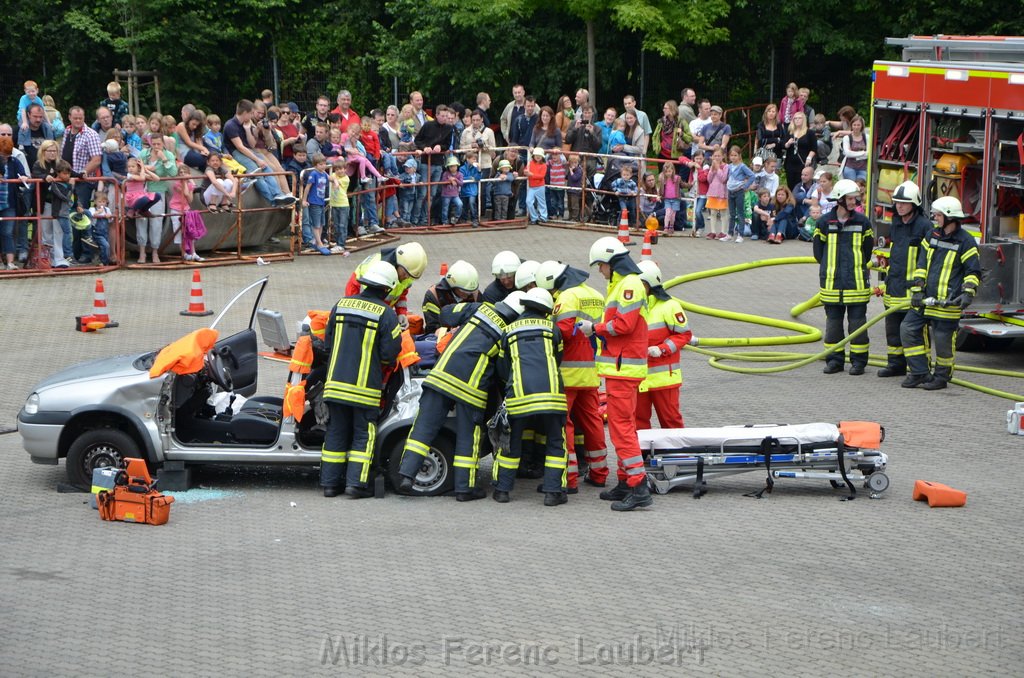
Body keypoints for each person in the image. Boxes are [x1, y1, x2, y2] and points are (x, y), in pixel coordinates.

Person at [396, 293, 525, 500]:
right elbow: (502, 370)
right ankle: (464, 489)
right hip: (470, 388)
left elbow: (446, 314)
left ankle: (406, 475)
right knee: (468, 436)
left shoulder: (480, 309)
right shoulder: (508, 332)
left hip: (440, 376)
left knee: (423, 428)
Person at [319, 260, 403, 498]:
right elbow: (390, 354)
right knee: (363, 435)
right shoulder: (386, 314)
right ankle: (355, 486)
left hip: (334, 385)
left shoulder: (340, 305)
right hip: (364, 389)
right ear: (387, 289)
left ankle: (330, 485)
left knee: (335, 432)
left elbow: (328, 342)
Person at [580, 237, 652, 511]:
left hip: (624, 368)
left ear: (612, 262)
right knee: (626, 427)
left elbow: (622, 325)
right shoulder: (624, 284)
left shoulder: (629, 285)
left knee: (621, 429)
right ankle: (625, 481)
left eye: (601, 265)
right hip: (622, 367)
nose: (600, 271)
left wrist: (594, 329)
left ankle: (638, 485)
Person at [535, 259, 608, 490]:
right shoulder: (595, 294)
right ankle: (599, 473)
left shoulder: (566, 297)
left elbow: (563, 332)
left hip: (567, 374)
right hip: (591, 372)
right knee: (593, 423)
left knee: (563, 425)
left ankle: (569, 478)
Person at [493, 288, 568, 506]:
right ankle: (553, 493)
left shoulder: (507, 331)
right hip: (552, 396)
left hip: (519, 396)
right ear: (545, 310)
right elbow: (558, 357)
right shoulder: (553, 329)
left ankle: (502, 491)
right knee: (555, 442)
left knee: (510, 443)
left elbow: (502, 367)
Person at [900, 197, 980, 390]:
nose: (935, 217)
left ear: (949, 216)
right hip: (926, 298)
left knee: (943, 341)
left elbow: (973, 271)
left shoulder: (966, 241)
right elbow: (922, 264)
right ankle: (919, 372)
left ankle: (941, 378)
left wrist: (967, 293)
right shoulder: (932, 235)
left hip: (948, 301)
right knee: (908, 328)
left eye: (938, 214)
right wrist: (918, 289)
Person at [813, 179, 874, 375]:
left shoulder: (863, 222)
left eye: (855, 198)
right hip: (831, 283)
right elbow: (818, 253)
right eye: (850, 198)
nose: (854, 201)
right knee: (833, 324)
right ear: (839, 199)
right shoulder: (823, 222)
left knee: (857, 324)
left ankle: (858, 362)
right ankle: (834, 360)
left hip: (856, 283)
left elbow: (867, 250)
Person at [876, 182, 932, 378]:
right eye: (897, 203)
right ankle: (896, 365)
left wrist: (922, 287)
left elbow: (928, 259)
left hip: (913, 290)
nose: (899, 206)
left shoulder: (925, 226)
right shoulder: (896, 222)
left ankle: (921, 369)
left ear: (914, 204)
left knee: (915, 331)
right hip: (895, 287)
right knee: (893, 330)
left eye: (904, 203)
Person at [635, 260, 692, 430]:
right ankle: (642, 456)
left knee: (671, 422)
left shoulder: (669, 306)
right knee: (638, 423)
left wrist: (662, 349)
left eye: (640, 285)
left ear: (649, 284)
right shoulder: (635, 306)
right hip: (640, 378)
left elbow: (684, 334)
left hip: (664, 379)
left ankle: (677, 456)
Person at [225, 100, 296, 207]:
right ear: (245, 113)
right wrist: (257, 160)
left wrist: (248, 130)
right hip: (237, 152)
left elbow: (252, 144)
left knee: (267, 168)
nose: (252, 116)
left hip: (249, 150)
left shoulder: (246, 124)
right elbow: (240, 147)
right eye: (250, 113)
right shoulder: (231, 125)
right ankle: (272, 201)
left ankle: (279, 194)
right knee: (257, 172)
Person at [344, 242, 428, 327]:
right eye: (405, 273)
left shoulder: (407, 271)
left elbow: (401, 295)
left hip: (379, 310)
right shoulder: (377, 270)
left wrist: (401, 313)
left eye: (410, 276)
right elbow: (368, 301)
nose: (406, 277)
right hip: (359, 306)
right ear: (399, 263)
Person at [62, 106, 103, 263]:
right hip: (66, 181)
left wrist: (83, 172)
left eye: (81, 118)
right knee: (68, 216)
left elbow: (96, 159)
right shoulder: (66, 132)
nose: (78, 120)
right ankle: (73, 252)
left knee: (81, 215)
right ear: (70, 117)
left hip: (83, 183)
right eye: (75, 118)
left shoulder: (90, 134)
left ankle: (86, 253)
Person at [421, 259, 481, 334]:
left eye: (470, 292)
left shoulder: (474, 293)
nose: (468, 295)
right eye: (464, 291)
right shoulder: (433, 296)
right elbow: (432, 329)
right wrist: (449, 332)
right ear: (452, 285)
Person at [460, 111, 495, 214]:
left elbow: (493, 150)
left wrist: (483, 146)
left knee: (482, 189)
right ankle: (470, 212)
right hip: (470, 165)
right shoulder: (466, 131)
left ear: (482, 119)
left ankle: (481, 212)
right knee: (469, 187)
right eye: (473, 120)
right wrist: (472, 146)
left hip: (484, 163)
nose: (475, 122)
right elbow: (461, 147)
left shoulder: (489, 131)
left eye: (478, 120)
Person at [301, 153, 332, 256]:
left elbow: (331, 178)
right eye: (320, 164)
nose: (323, 166)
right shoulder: (314, 174)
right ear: (315, 165)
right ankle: (319, 243)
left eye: (324, 164)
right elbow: (307, 187)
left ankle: (317, 241)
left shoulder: (324, 174)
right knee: (316, 224)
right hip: (314, 202)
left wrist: (336, 182)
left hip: (321, 202)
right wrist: (304, 200)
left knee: (322, 223)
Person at [726, 146, 755, 242]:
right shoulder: (729, 166)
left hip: (739, 192)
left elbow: (752, 176)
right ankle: (730, 234)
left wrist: (745, 186)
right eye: (731, 155)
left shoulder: (742, 166)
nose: (733, 157)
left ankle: (740, 235)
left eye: (735, 155)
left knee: (740, 213)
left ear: (739, 156)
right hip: (730, 191)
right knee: (732, 213)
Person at [783, 111, 816, 189]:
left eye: (799, 118)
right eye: (795, 118)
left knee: (800, 184)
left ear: (803, 120)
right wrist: (788, 143)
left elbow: (814, 148)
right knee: (790, 184)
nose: (797, 120)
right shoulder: (790, 132)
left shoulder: (809, 133)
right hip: (790, 162)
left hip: (803, 162)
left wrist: (809, 158)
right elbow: (784, 145)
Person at [704, 148, 729, 240]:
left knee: (723, 213)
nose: (717, 158)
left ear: (723, 156)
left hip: (722, 193)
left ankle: (723, 231)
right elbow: (709, 179)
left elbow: (723, 179)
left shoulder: (726, 166)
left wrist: (718, 168)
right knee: (713, 213)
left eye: (719, 156)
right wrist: (712, 169)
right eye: (715, 156)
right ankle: (713, 231)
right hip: (712, 192)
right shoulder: (713, 166)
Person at [327, 162, 351, 253]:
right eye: (337, 169)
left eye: (341, 169)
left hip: (343, 205)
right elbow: (329, 177)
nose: (339, 171)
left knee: (342, 225)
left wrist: (335, 180)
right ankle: (337, 243)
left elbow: (333, 180)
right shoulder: (334, 175)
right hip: (334, 204)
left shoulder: (346, 179)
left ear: (345, 169)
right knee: (336, 225)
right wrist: (335, 180)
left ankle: (341, 244)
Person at [523, 147, 549, 225]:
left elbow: (541, 176)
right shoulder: (530, 163)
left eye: (539, 155)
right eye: (536, 155)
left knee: (542, 202)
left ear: (542, 157)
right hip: (532, 186)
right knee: (528, 201)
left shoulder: (544, 165)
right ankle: (534, 217)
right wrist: (525, 172)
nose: (538, 157)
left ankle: (543, 217)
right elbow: (525, 170)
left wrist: (531, 174)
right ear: (533, 156)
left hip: (540, 186)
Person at [841, 116, 870, 181]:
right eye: (854, 125)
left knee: (861, 187)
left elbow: (868, 154)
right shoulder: (847, 138)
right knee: (852, 187)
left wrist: (853, 153)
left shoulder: (867, 137)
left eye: (858, 125)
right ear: (851, 126)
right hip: (850, 168)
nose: (856, 127)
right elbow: (847, 154)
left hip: (863, 168)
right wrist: (863, 153)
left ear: (862, 126)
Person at [438, 155, 463, 225]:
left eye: (454, 166)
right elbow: (442, 182)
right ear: (448, 167)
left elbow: (461, 183)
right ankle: (444, 221)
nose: (453, 168)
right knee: (445, 208)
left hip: (455, 194)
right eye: (451, 166)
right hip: (446, 195)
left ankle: (456, 218)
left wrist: (455, 179)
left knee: (460, 204)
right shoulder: (445, 174)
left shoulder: (460, 174)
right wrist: (449, 180)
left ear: (457, 166)